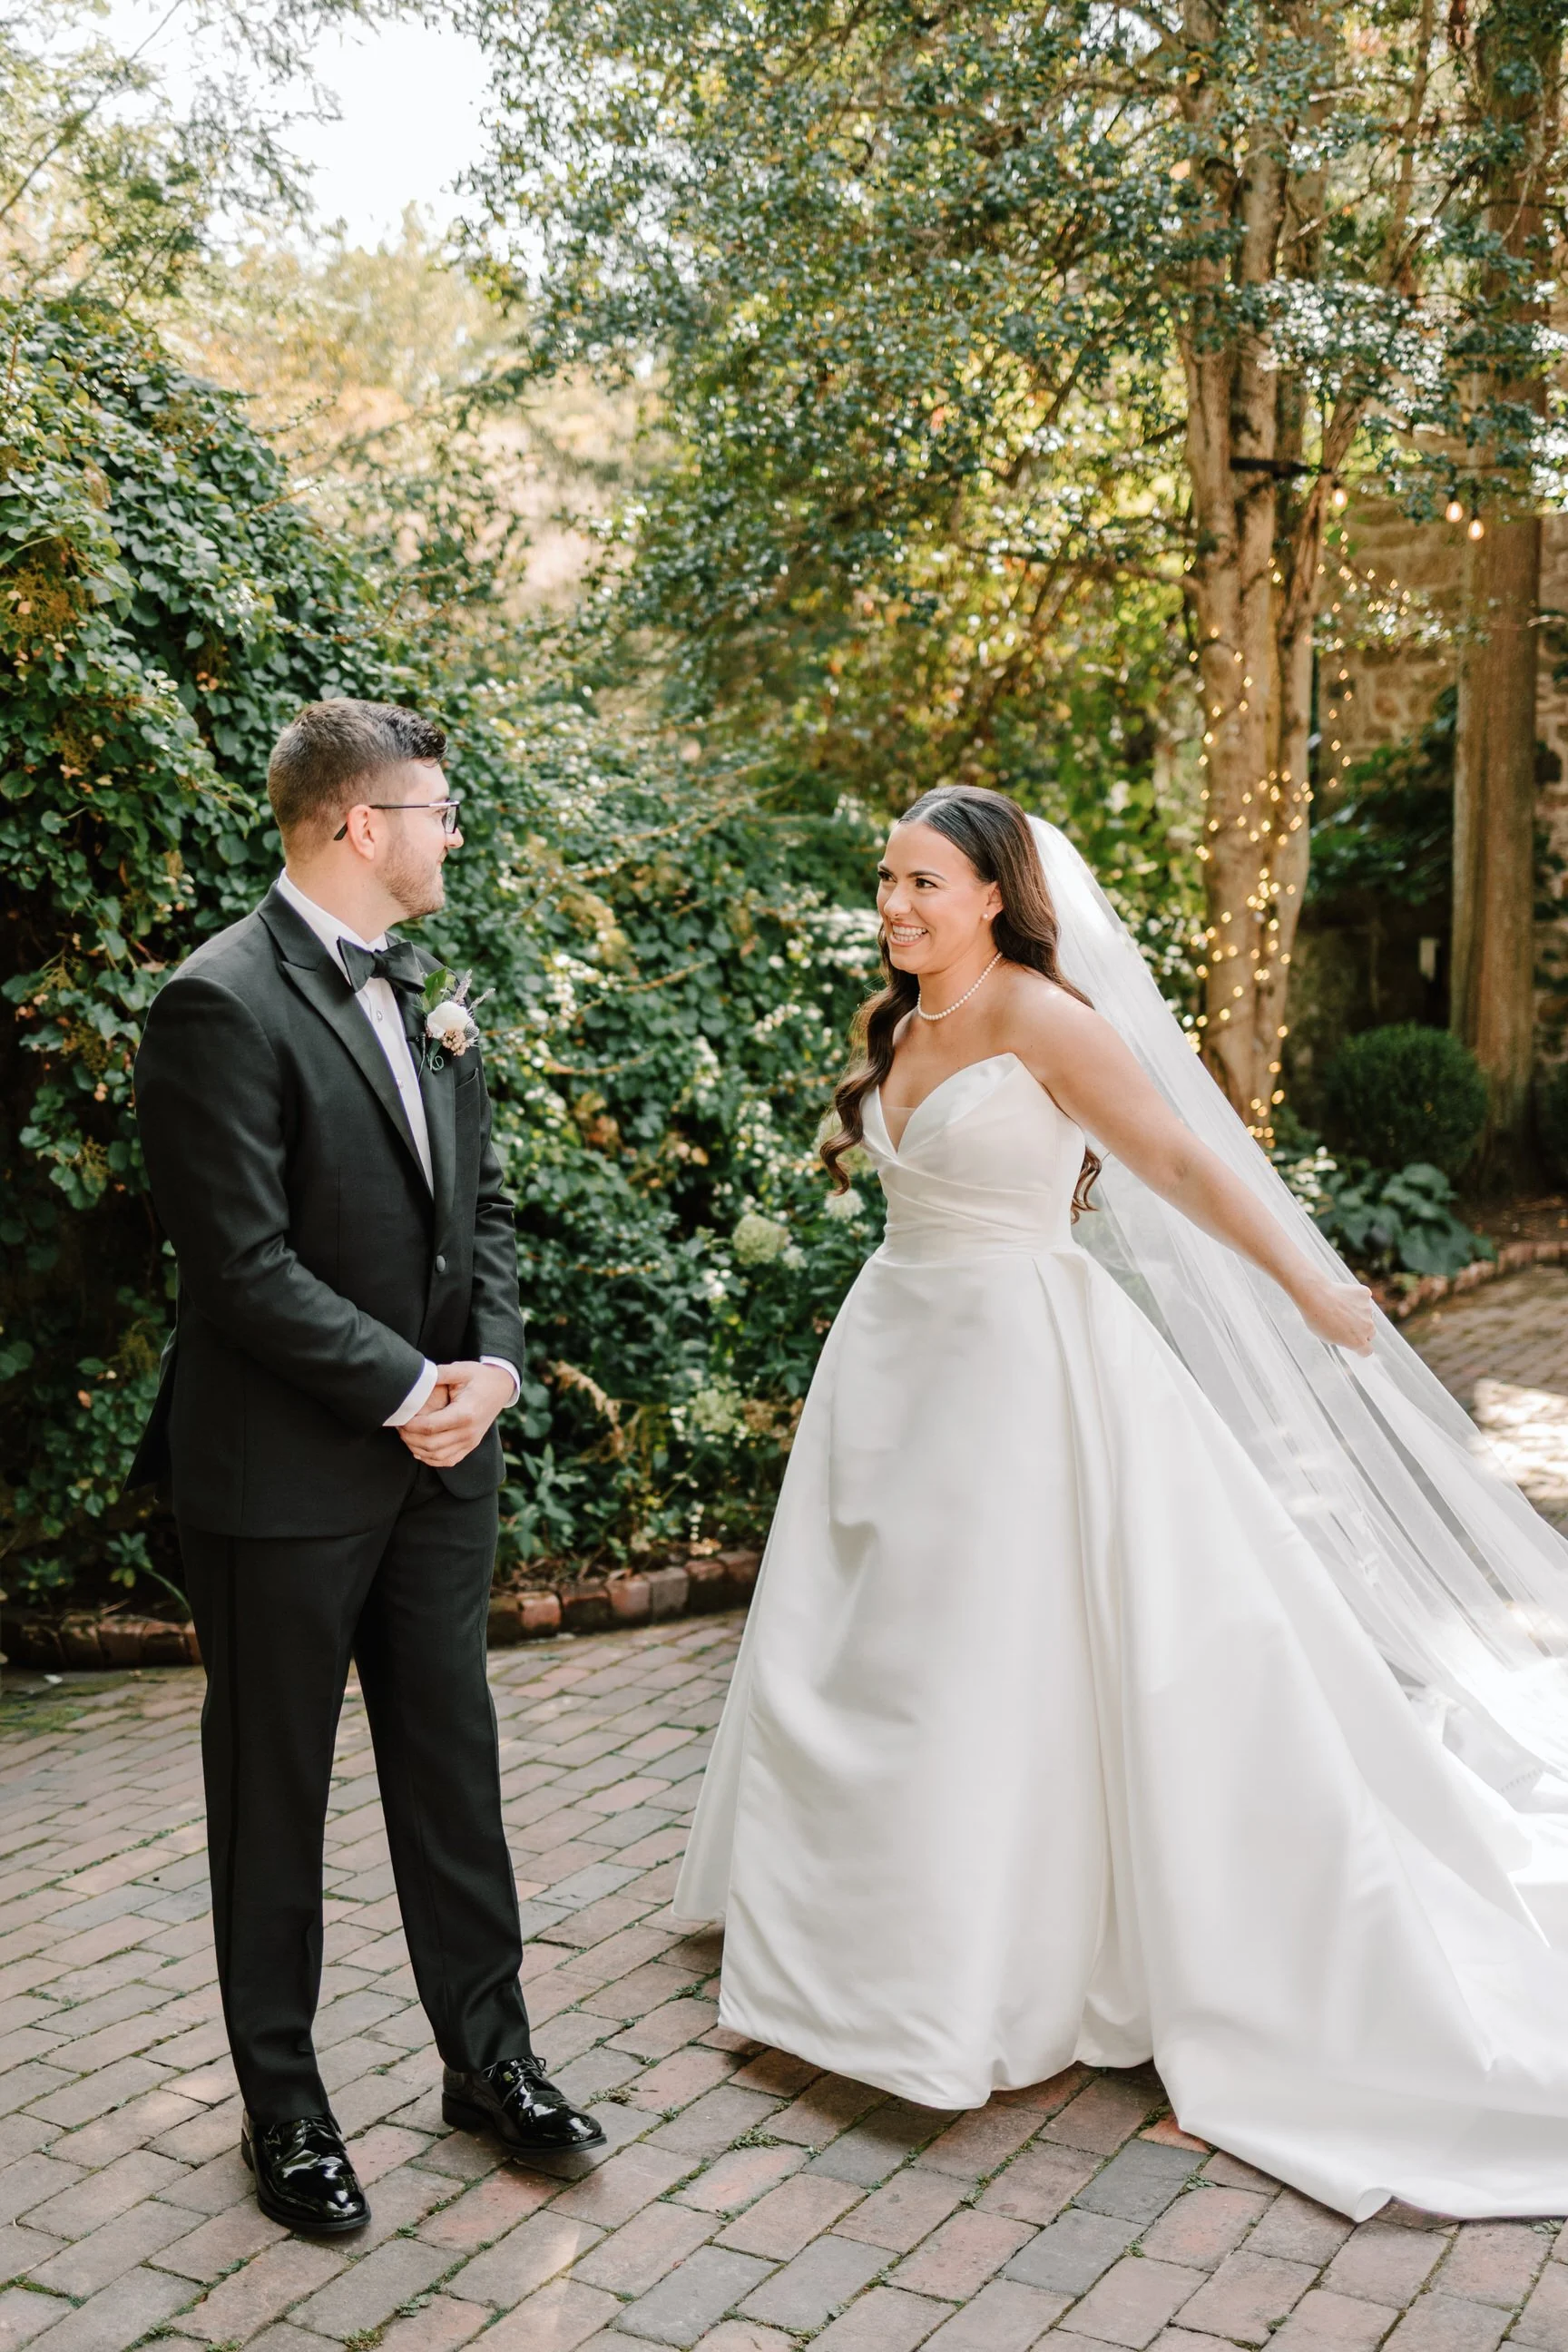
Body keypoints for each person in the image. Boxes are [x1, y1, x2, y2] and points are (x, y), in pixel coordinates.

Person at [675, 782, 1568, 2222]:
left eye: (923, 884)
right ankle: (846, 1956)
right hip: (892, 1363)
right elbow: (907, 1161)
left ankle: (975, 1976)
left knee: (985, 1662)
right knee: (868, 1650)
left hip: (1018, 1375)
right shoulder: (902, 1025)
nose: (895, 905)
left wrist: (1309, 1280)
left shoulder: (1042, 1015)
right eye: (886, 880)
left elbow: (1172, 1157)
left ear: (991, 895)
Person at [129, 700, 603, 2236]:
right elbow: (242, 1268)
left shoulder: (434, 995)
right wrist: (409, 1385)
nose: (452, 832)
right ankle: (285, 2112)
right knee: (273, 1797)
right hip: (280, 1483)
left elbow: (491, 1219)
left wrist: (496, 1373)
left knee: (453, 1776)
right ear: (357, 824)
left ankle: (491, 2064)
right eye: (436, 809)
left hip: (438, 1473)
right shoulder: (218, 1004)